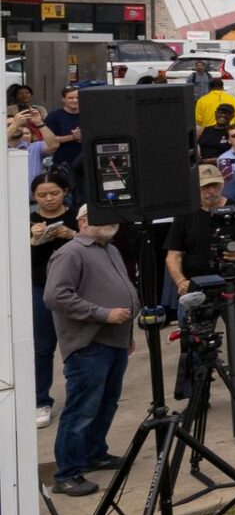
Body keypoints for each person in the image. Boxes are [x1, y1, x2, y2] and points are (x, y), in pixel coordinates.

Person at [44, 203, 138, 496]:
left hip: (115, 340)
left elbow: (122, 287)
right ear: (83, 221)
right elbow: (56, 296)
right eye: (103, 217)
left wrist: (127, 333)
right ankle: (67, 473)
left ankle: (95, 453)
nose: (112, 222)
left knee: (107, 402)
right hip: (89, 344)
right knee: (81, 409)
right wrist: (102, 314)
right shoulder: (71, 252)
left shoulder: (109, 248)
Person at [166, 165, 235, 412]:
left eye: (215, 185)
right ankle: (199, 396)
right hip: (198, 291)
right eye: (205, 187)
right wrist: (180, 282)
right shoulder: (185, 215)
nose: (211, 191)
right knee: (194, 345)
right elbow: (173, 256)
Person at [29, 171, 80, 429]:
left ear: (65, 192)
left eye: (54, 193)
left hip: (76, 290)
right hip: (41, 288)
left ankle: (78, 396)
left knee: (78, 345)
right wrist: (34, 240)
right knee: (42, 347)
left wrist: (72, 235)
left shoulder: (76, 218)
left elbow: (96, 244)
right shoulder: (28, 220)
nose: (48, 199)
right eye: (41, 195)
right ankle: (40, 400)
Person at [43, 85, 84, 184]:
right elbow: (48, 140)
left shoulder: (88, 114)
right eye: (71, 98)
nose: (75, 100)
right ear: (63, 99)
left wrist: (82, 138)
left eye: (77, 97)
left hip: (85, 163)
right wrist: (72, 137)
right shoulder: (54, 116)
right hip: (62, 164)